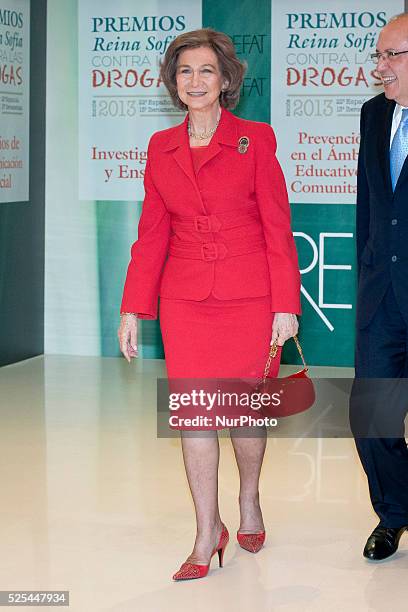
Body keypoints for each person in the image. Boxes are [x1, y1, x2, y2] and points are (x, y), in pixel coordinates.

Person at [117, 28, 301, 580]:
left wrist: (284, 304)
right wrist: (131, 307)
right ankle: (206, 531)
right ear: (174, 83)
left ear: (225, 81)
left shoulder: (255, 139)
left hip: (249, 296)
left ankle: (248, 500)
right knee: (195, 416)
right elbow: (151, 233)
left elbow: (277, 227)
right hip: (186, 299)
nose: (194, 81)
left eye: (206, 71)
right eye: (184, 72)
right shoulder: (160, 147)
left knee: (244, 412)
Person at [352, 13, 408, 561]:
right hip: (381, 298)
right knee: (371, 420)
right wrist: (366, 271)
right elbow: (369, 206)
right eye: (379, 56)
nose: (380, 67)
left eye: (391, 56)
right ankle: (395, 512)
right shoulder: (373, 114)